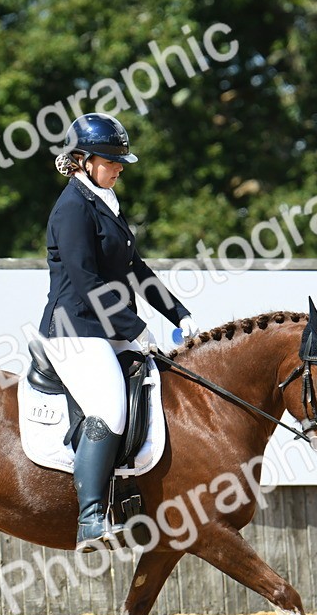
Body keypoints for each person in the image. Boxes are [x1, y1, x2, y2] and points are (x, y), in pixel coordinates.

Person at [38, 112, 199, 551]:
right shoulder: (71, 208)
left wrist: (177, 314)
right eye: (111, 161)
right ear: (83, 160)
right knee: (109, 410)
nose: (119, 168)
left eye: (119, 162)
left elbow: (135, 269)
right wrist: (134, 327)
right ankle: (90, 519)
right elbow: (87, 283)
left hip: (107, 328)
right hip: (75, 330)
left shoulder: (106, 204)